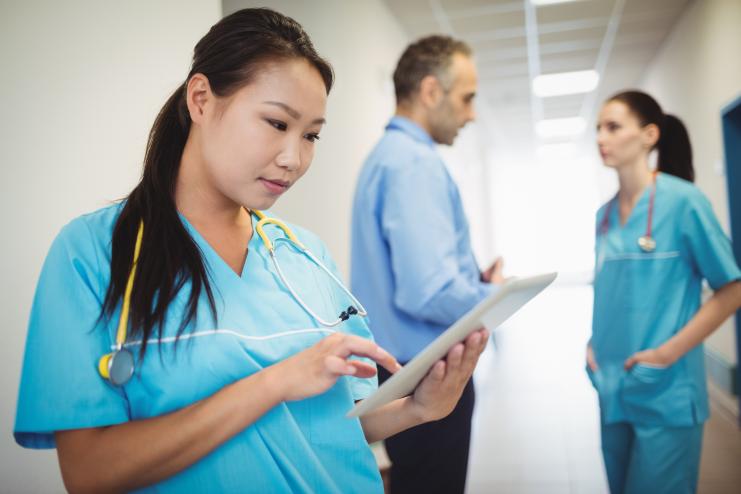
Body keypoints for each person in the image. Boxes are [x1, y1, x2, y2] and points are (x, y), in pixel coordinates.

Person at [13, 9, 490, 493]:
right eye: (276, 123)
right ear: (200, 99)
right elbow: (89, 472)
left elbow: (338, 423)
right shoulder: (92, 254)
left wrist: (417, 409)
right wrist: (273, 383)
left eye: (310, 135)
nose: (294, 159)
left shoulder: (305, 255)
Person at [350, 35, 503, 494]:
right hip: (426, 374)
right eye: (467, 98)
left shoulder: (387, 158)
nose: (472, 113)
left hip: (404, 369)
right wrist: (496, 297)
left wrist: (472, 282)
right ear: (431, 92)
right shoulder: (412, 164)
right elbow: (427, 292)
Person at [588, 90, 741, 494]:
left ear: (649, 134)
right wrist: (592, 344)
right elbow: (610, 292)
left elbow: (733, 289)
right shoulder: (603, 216)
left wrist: (666, 353)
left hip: (665, 386)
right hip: (612, 383)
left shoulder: (685, 202)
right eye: (598, 128)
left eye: (613, 127)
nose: (601, 137)